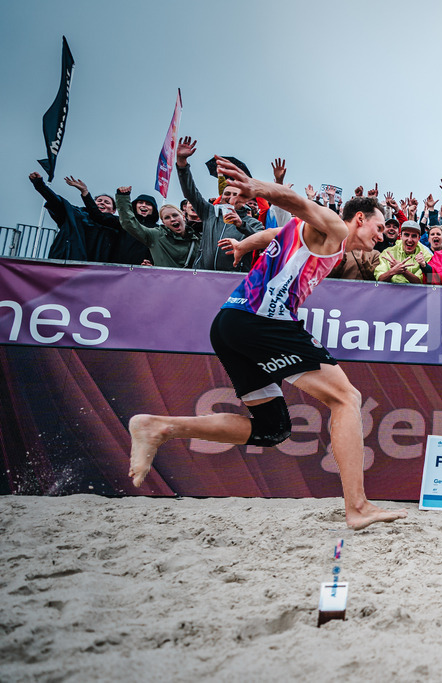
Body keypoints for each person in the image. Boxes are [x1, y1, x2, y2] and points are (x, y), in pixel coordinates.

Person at [128, 156, 406, 531]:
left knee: (271, 429)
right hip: (263, 320)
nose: (382, 233)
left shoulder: (309, 234)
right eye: (380, 225)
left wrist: (244, 247)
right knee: (346, 399)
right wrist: (258, 188)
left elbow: (269, 236)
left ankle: (158, 427)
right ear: (360, 218)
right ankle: (357, 506)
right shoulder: (335, 228)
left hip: (230, 323)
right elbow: (298, 202)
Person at [175, 135, 264, 271]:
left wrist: (241, 225)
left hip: (234, 280)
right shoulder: (209, 212)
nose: (230, 197)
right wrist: (182, 163)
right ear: (221, 197)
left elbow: (262, 242)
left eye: (235, 194)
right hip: (202, 276)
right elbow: (190, 192)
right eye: (227, 194)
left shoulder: (252, 223)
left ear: (243, 199)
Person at [114, 187, 200, 268]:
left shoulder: (197, 239)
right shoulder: (156, 235)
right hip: (162, 282)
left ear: (183, 217)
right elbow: (129, 224)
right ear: (163, 223)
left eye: (175, 215)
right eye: (167, 217)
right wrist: (123, 198)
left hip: (190, 283)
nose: (172, 219)